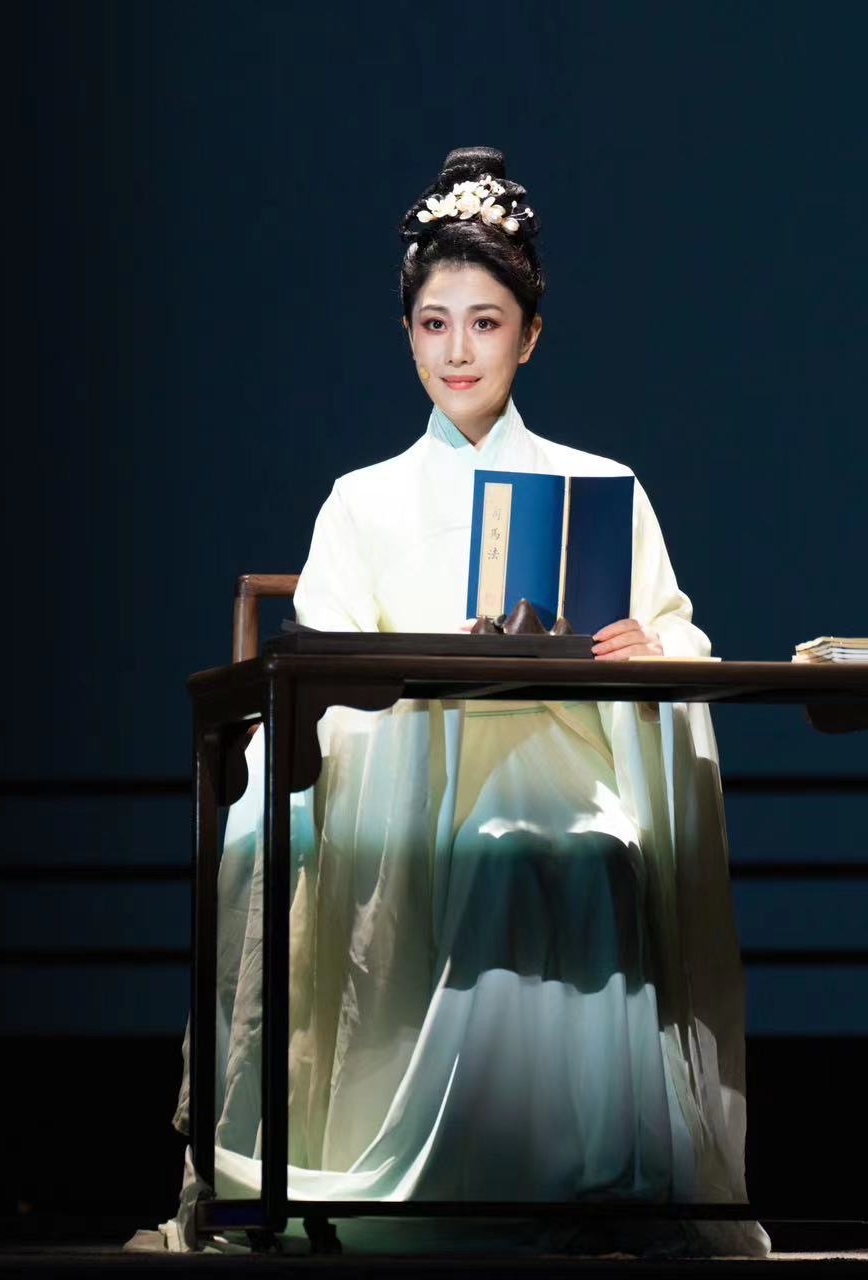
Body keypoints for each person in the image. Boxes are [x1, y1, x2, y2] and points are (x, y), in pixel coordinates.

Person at [133, 146, 768, 1258]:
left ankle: (591, 1181)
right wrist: (433, 673)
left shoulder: (600, 484)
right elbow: (321, 674)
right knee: (468, 845)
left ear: (529, 334)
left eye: (484, 322)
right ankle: (405, 1176)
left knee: (574, 848)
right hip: (405, 764)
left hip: (566, 760)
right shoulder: (361, 500)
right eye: (434, 324)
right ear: (408, 334)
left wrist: (644, 648)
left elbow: (679, 634)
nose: (458, 350)